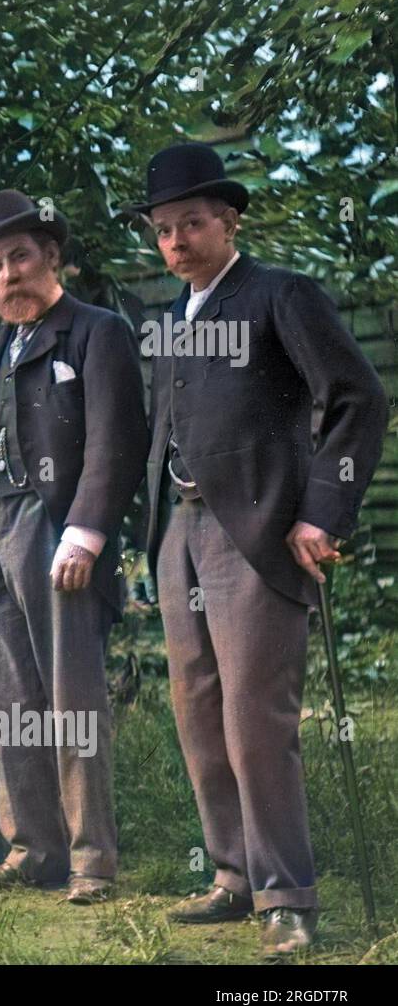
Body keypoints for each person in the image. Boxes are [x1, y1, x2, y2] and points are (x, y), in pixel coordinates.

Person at [132, 143, 388, 954]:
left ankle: (290, 896)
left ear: (229, 220)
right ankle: (232, 875)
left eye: (193, 224)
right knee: (198, 713)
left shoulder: (281, 295)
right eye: (164, 229)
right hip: (181, 531)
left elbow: (358, 399)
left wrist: (323, 513)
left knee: (253, 718)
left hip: (259, 531)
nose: (176, 241)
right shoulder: (171, 319)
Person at [0, 189, 148, 903]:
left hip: (53, 527)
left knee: (71, 697)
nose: (7, 276)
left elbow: (116, 442)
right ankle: (32, 846)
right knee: (7, 698)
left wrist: (86, 530)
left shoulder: (96, 331)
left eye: (19, 258)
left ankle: (92, 859)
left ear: (52, 256)